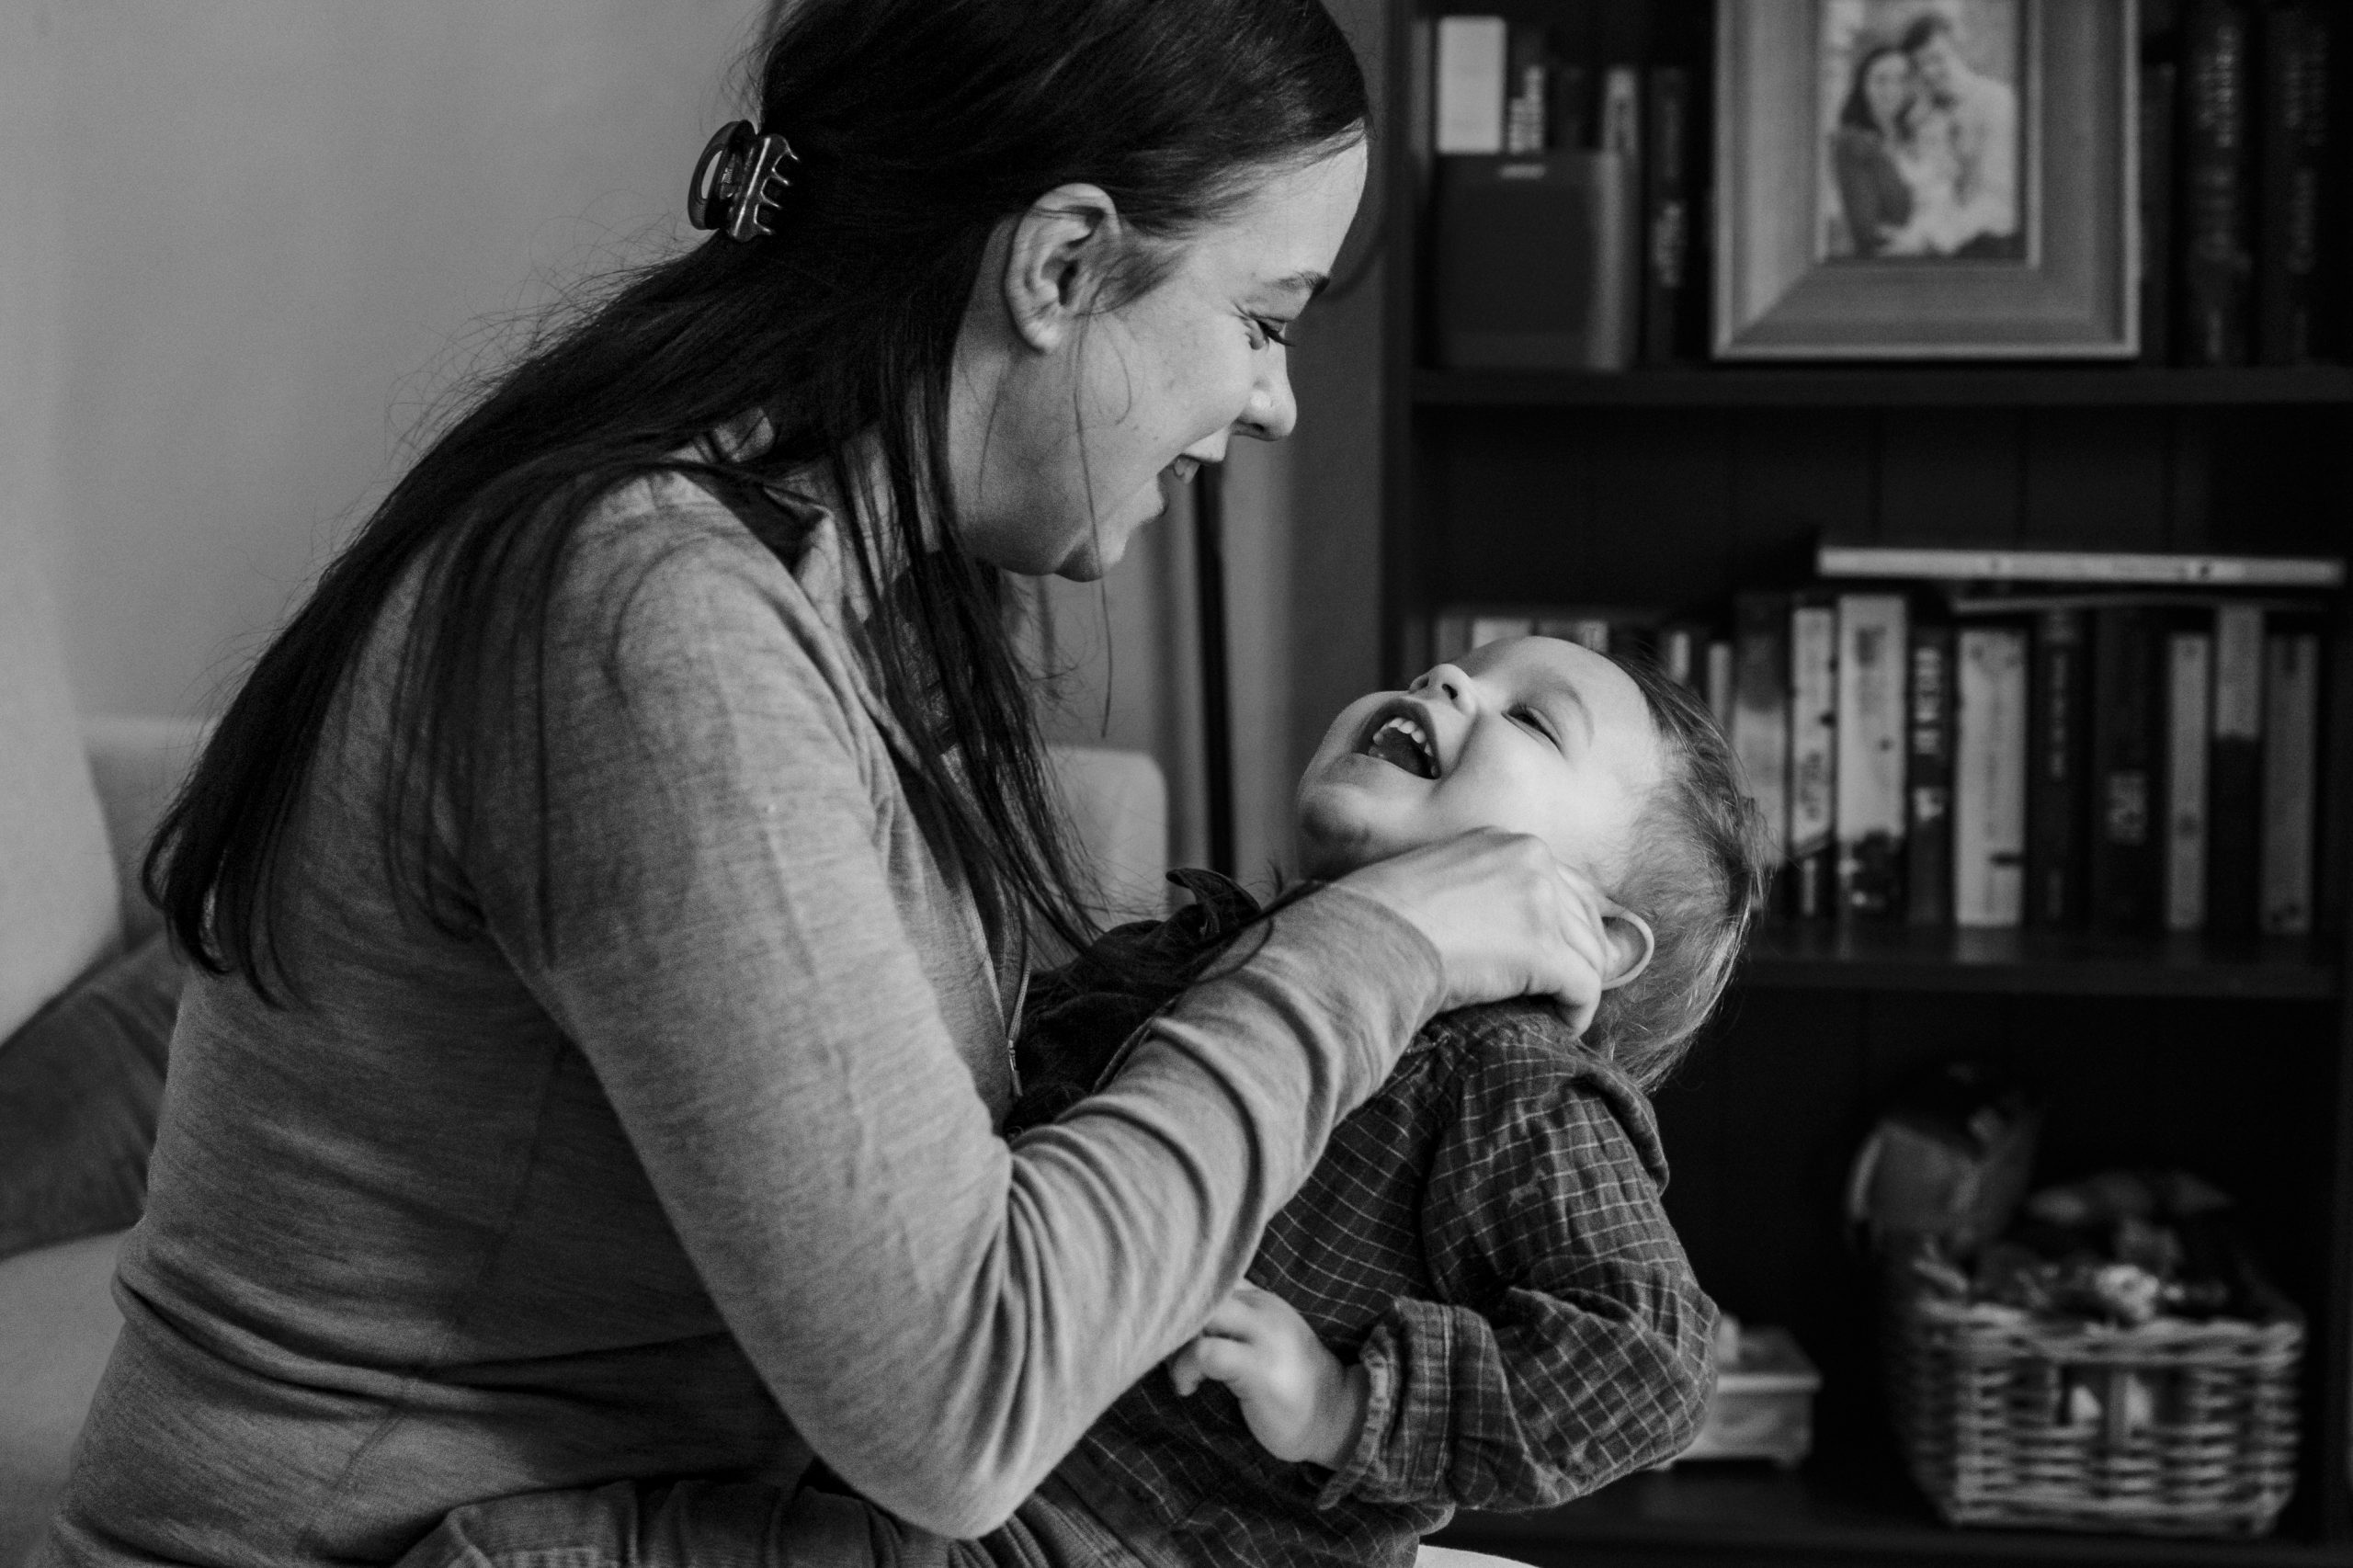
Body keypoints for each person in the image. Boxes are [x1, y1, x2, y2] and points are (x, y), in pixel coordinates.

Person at [36, 4, 1628, 1566]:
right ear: (1064, 266)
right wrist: (1367, 951)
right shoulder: (655, 625)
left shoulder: (851, 590)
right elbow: (963, 1408)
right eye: (1265, 321)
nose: (1273, 402)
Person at [403, 636, 1768, 1568]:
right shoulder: (1186, 953)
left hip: (1137, 1536)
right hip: (962, 1452)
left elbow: (1649, 1364)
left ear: (1590, 929)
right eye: (1459, 664)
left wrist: (1345, 1398)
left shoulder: (1509, 1081)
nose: (1451, 675)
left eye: (1531, 716)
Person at [1894, 11, 2019, 259]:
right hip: (1948, 245)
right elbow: (1932, 192)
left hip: (1996, 245)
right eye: (1919, 65)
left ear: (1960, 51)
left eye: (1936, 58)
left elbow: (1998, 199)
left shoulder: (1999, 103)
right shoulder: (1927, 116)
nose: (1928, 72)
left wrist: (1931, 239)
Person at [1829, 43, 1921, 258]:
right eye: (1881, 80)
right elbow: (1866, 231)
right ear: (1863, 85)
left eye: (1901, 79)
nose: (1892, 90)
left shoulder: (1913, 135)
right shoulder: (1853, 142)